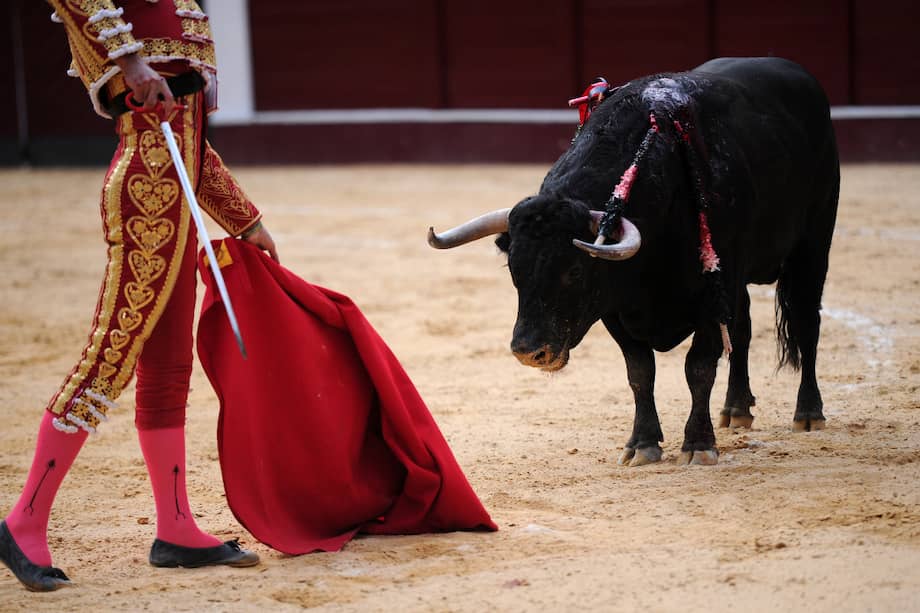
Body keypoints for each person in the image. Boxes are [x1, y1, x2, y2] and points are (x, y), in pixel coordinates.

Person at [0, 0, 278, 592]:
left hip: (176, 194)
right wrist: (128, 61)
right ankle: (23, 522)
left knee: (168, 370)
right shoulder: (139, 15)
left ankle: (175, 529)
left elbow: (194, 149)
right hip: (146, 198)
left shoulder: (184, 10)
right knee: (111, 355)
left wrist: (246, 221)